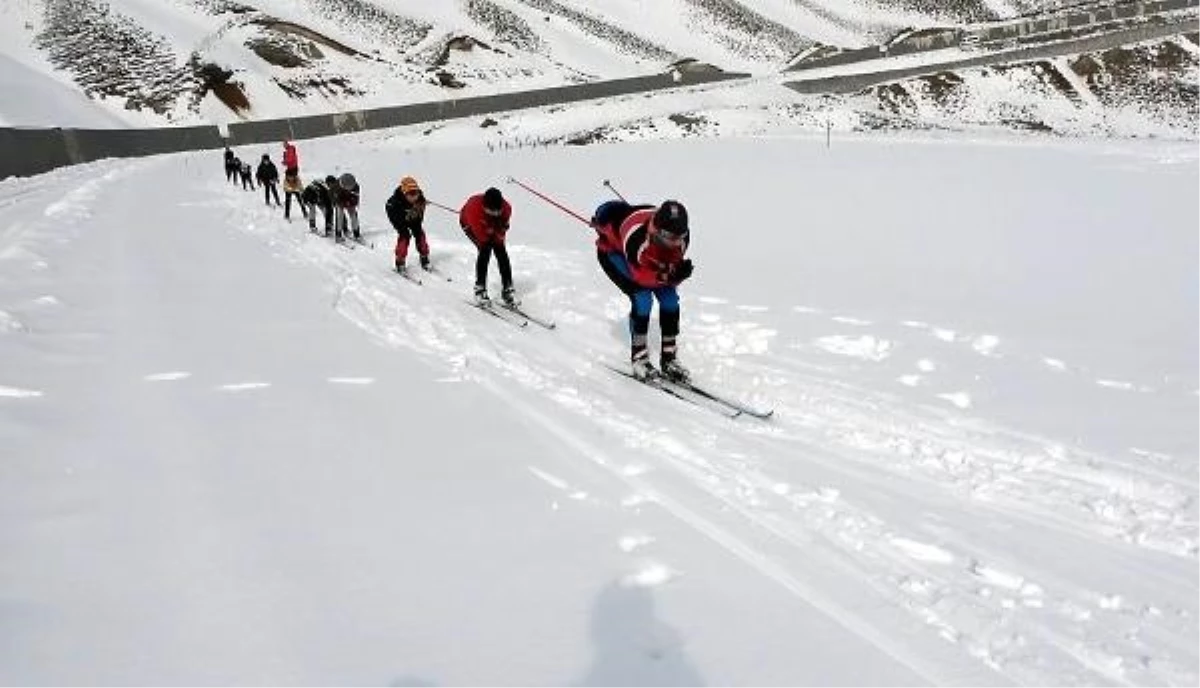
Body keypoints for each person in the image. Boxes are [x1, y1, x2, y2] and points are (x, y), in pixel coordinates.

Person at [591, 199, 694, 382]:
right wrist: (670, 276)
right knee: (643, 298)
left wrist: (674, 273)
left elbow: (667, 264)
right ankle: (639, 356)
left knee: (670, 299)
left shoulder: (681, 239)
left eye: (679, 237)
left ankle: (669, 358)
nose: (675, 242)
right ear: (656, 230)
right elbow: (641, 277)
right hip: (615, 254)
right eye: (669, 237)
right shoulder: (636, 238)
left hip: (651, 260)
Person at [460, 187, 515, 306]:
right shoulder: (474, 210)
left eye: (497, 211)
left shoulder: (507, 209)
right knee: (485, 249)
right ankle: (480, 289)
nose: (495, 213)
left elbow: (500, 234)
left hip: (491, 223)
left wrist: (498, 230)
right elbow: (484, 237)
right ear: (485, 207)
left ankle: (508, 289)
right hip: (469, 223)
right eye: (491, 210)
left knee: (501, 251)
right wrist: (491, 230)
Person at [385, 176, 431, 273]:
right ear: (405, 193)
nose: (414, 196)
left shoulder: (420, 200)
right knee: (405, 236)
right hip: (398, 219)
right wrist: (403, 220)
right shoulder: (394, 202)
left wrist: (416, 215)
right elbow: (393, 216)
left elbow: (420, 217)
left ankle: (424, 256)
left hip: (412, 219)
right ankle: (400, 261)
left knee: (420, 234)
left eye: (416, 193)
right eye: (411, 194)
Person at [329, 172, 361, 242]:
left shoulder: (356, 187)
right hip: (339, 201)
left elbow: (356, 198)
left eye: (350, 187)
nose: (349, 188)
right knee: (340, 215)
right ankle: (338, 234)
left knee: (354, 216)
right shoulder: (336, 187)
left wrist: (351, 203)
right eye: (347, 187)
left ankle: (356, 233)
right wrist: (343, 203)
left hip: (350, 201)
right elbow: (336, 199)